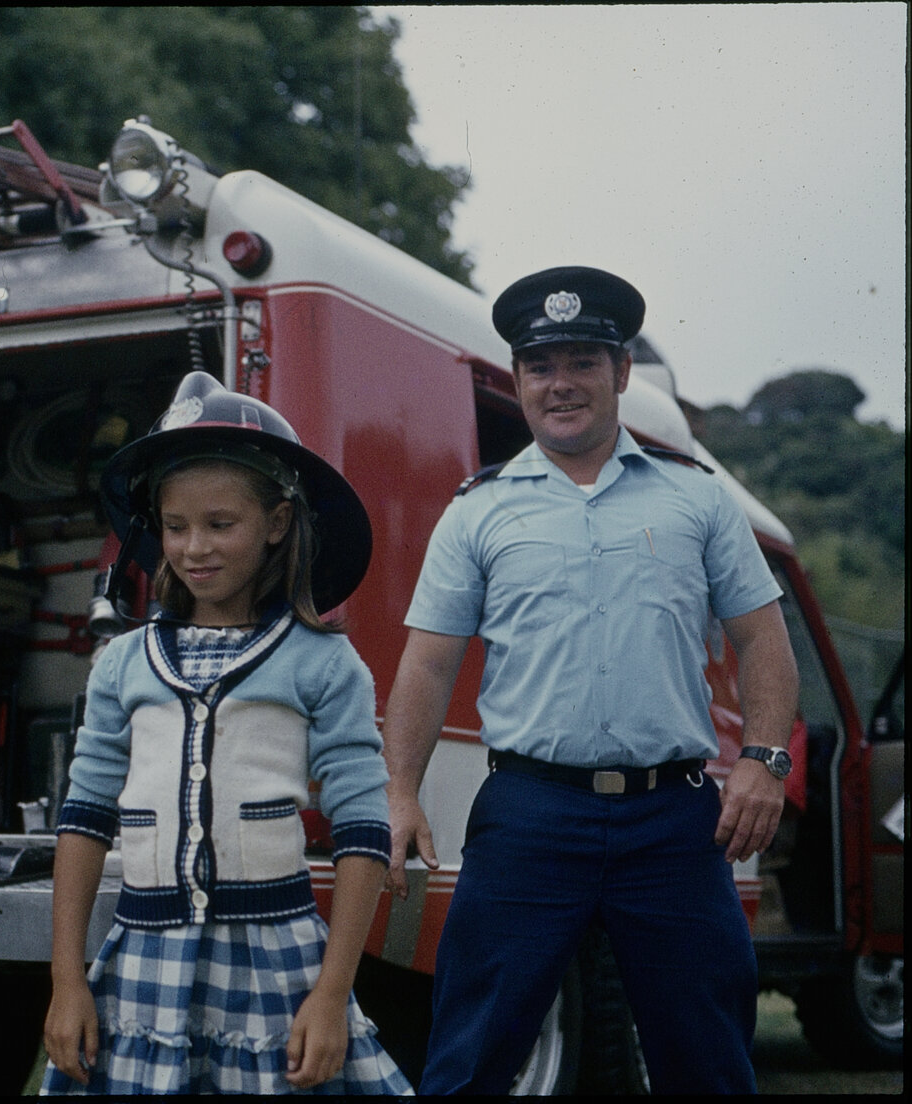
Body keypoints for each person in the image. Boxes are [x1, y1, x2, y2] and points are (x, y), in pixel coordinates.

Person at [383, 266, 800, 1094]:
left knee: (708, 1059)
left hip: (675, 823)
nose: (560, 384)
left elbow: (764, 642)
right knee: (471, 1053)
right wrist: (399, 791)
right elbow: (427, 665)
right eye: (541, 367)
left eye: (582, 361)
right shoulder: (478, 511)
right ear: (518, 380)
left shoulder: (699, 502)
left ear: (621, 374)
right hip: (530, 817)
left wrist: (764, 759)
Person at [41, 372, 413, 1095]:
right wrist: (66, 982)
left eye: (220, 524)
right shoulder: (123, 664)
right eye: (175, 527)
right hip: (144, 963)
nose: (193, 548)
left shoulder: (323, 661)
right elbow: (83, 821)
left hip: (278, 966)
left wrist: (332, 995)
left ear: (276, 523)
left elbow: (362, 828)